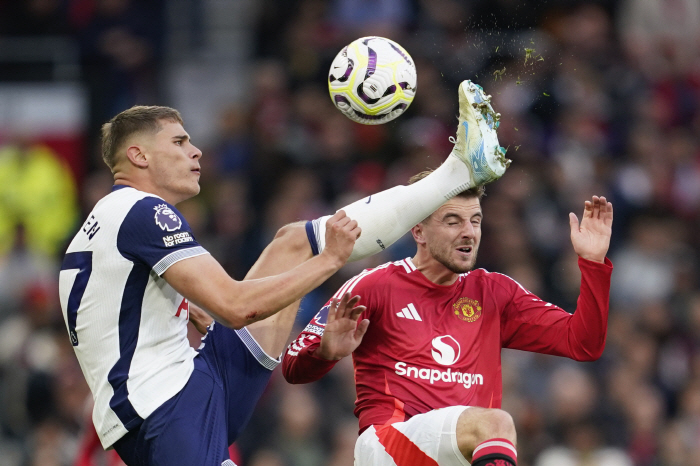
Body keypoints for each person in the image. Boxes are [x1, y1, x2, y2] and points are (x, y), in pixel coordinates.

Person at [58, 80, 509, 465]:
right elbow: (238, 306)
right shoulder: (142, 211)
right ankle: (459, 170)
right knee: (306, 252)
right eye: (178, 142)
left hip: (187, 382)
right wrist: (329, 261)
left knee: (293, 241)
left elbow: (121, 314)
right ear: (137, 156)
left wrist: (182, 312)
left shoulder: (105, 222)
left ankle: (458, 170)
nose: (195, 151)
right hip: (167, 409)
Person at [282, 173, 614, 466]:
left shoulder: (495, 293)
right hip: (387, 445)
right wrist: (325, 352)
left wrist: (593, 263)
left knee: (491, 429)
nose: (469, 232)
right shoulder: (374, 286)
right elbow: (292, 366)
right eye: (453, 221)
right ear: (419, 231)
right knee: (496, 425)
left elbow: (582, 343)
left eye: (476, 221)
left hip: (458, 455)